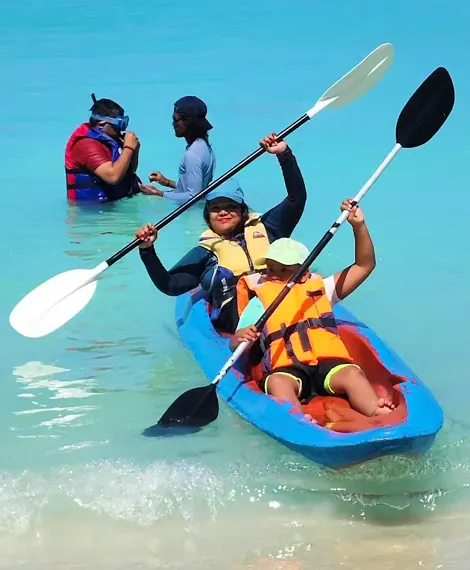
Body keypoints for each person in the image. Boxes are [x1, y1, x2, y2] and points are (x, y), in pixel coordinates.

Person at [229, 200, 395, 421]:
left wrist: (359, 226)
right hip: (287, 370)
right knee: (277, 383)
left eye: (284, 270)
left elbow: (364, 265)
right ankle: (297, 418)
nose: (275, 275)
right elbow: (235, 343)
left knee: (353, 374)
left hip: (330, 367)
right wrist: (242, 336)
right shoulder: (260, 301)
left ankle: (375, 410)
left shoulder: (323, 289)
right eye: (270, 269)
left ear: (304, 273)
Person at [135, 133, 307, 333]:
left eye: (231, 206)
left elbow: (297, 197)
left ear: (243, 211)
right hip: (240, 326)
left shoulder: (268, 228)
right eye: (216, 208)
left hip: (280, 307)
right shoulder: (205, 253)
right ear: (208, 216)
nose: (223, 212)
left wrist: (283, 154)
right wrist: (147, 250)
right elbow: (170, 285)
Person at [65, 94, 159, 203]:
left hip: (115, 203)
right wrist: (128, 148)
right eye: (119, 124)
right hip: (94, 209)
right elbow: (113, 177)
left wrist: (135, 150)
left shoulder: (111, 139)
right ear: (101, 124)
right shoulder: (86, 145)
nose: (121, 129)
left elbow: (129, 171)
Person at [146, 96, 216, 202]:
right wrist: (167, 182)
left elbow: (193, 197)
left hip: (189, 210)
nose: (173, 124)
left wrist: (158, 193)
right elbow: (194, 187)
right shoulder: (205, 147)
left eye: (175, 120)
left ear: (188, 122)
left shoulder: (192, 155)